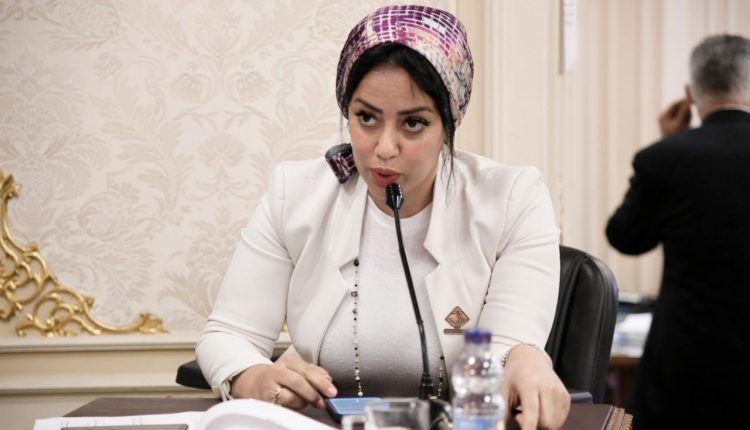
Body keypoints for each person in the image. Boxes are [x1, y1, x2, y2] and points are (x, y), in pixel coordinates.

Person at [197, 5, 570, 429]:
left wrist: (525, 359)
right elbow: (227, 334)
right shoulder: (294, 194)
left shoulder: (513, 200)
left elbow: (508, 351)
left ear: (449, 124)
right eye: (367, 118)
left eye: (413, 123)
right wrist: (253, 376)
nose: (385, 148)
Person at [606, 34, 750, 428]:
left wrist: (670, 142)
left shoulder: (665, 158)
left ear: (690, 94)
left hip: (685, 367)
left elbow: (625, 237)